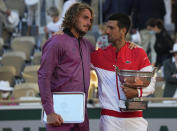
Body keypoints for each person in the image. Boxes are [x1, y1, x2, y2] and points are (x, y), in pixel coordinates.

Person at [91, 13, 156, 131]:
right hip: (109, 120)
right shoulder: (98, 56)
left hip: (135, 120)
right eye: (107, 27)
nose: (107, 31)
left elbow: (151, 84)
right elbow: (74, 54)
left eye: (111, 28)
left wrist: (137, 92)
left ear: (123, 30)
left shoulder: (138, 52)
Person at [38, 3, 95, 131]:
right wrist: (49, 112)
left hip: (81, 114)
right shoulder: (56, 42)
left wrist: (126, 44)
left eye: (90, 20)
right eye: (85, 18)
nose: (89, 22)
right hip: (59, 115)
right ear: (73, 18)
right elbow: (43, 76)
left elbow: (105, 57)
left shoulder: (86, 44)